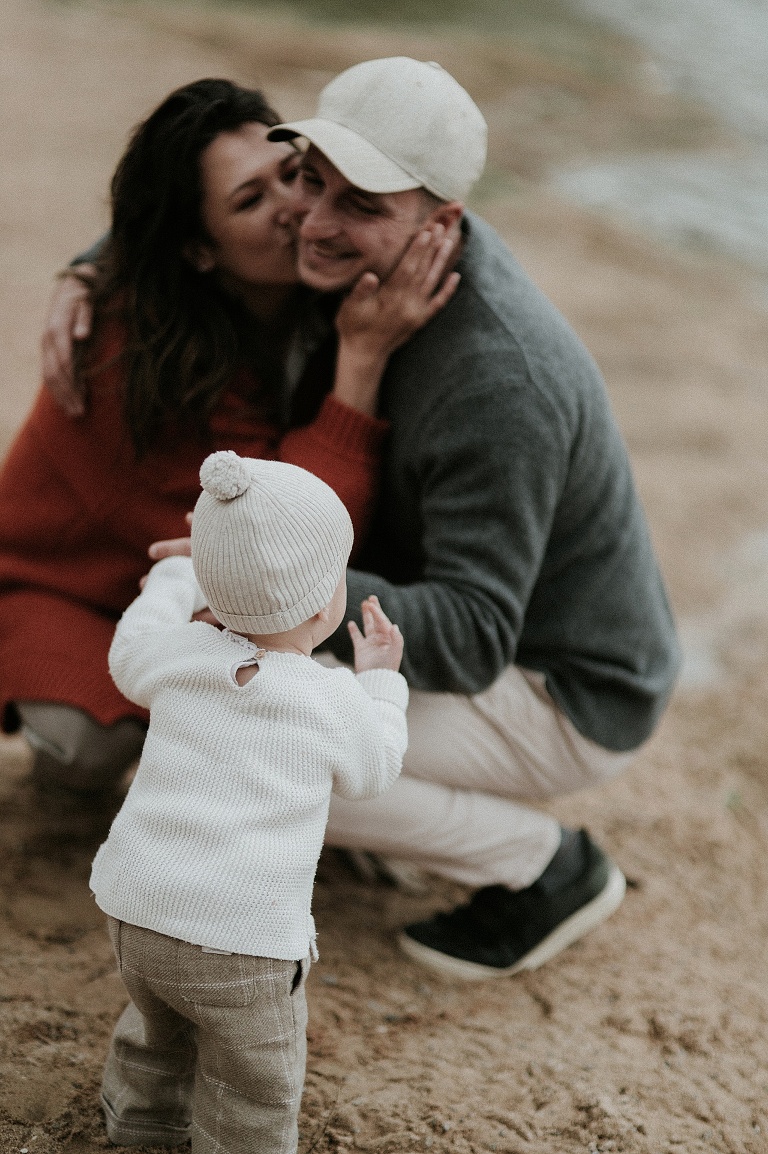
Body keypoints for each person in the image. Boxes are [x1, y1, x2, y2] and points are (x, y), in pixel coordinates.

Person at [43, 58, 681, 981]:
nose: (311, 221)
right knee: (239, 697)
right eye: (309, 178)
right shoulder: (359, 250)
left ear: (440, 223)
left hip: (563, 687)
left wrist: (276, 579)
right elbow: (187, 208)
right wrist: (93, 266)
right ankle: (404, 818)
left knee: (254, 736)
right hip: (472, 637)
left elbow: (474, 634)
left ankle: (545, 867)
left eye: (361, 203)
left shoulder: (499, 380)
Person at [0, 77, 455, 811]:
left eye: (293, 173)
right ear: (199, 250)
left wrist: (89, 260)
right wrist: (362, 363)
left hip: (174, 585)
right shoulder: (135, 353)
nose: (298, 208)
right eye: (251, 201)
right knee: (92, 740)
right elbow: (277, 541)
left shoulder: (296, 283)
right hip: (63, 586)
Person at [91, 451, 408, 1152]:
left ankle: (140, 1124)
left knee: (156, 1028)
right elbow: (376, 768)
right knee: (252, 1081)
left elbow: (128, 648)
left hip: (137, 911)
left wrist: (176, 575)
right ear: (326, 603)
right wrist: (381, 683)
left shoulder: (178, 654)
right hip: (244, 946)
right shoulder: (329, 700)